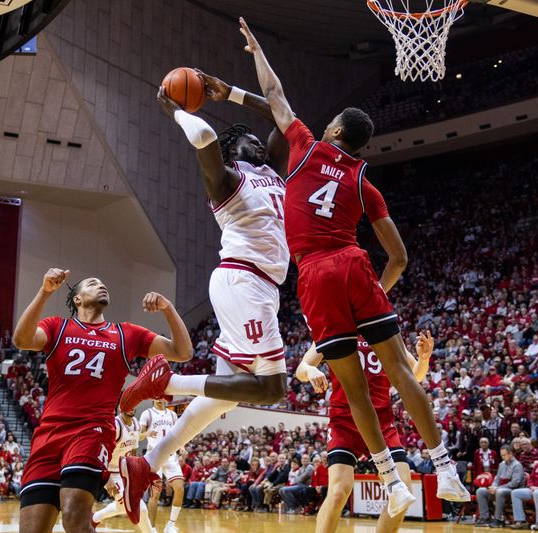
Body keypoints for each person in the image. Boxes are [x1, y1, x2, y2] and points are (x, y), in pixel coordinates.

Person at [237, 16, 468, 515]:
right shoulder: (365, 181)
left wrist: (257, 49)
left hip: (316, 273)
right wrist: (376, 293)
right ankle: (445, 467)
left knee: (355, 389)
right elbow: (400, 256)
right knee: (403, 372)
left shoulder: (303, 146)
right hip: (355, 263)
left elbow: (274, 93)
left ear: (336, 129)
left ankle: (391, 476)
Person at [116, 65, 293, 525]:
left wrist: (231, 91)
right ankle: (167, 383)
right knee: (273, 387)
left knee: (225, 397)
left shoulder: (271, 173)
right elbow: (204, 141)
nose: (258, 140)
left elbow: (282, 117)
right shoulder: (228, 179)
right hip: (244, 281)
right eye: (247, 140)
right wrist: (176, 109)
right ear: (236, 151)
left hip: (259, 288)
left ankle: (146, 464)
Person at [12, 269, 192, 533]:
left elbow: (182, 351)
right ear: (77, 299)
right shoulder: (57, 326)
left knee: (74, 517)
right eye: (93, 284)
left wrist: (167, 308)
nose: (102, 285)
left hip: (91, 430)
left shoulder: (126, 333)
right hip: (48, 434)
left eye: (103, 284)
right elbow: (22, 339)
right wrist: (45, 292)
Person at [296, 332, 431, 532]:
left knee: (403, 491)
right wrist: (310, 371)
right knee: (338, 492)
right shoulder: (333, 328)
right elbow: (301, 368)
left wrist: (424, 359)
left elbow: (415, 376)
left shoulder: (385, 329)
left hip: (381, 422)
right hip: (345, 421)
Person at [92, 409, 154, 533]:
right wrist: (106, 477)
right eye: (128, 404)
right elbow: (99, 450)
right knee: (139, 507)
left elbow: (134, 451)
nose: (131, 407)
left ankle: (93, 518)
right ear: (121, 407)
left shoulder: (136, 424)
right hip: (110, 472)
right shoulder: (114, 425)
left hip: (124, 471)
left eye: (134, 405)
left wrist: (135, 473)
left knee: (122, 506)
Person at [140, 399, 185, 533]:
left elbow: (178, 434)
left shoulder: (172, 415)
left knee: (180, 489)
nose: (160, 400)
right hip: (155, 457)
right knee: (155, 493)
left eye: (162, 397)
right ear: (153, 398)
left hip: (171, 457)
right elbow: (140, 436)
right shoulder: (147, 413)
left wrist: (182, 447)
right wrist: (146, 433)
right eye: (157, 397)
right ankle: (151, 527)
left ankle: (170, 525)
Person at [476, 444, 526, 527]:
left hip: (513, 490)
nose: (502, 457)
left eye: (504, 455)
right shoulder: (501, 464)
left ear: (510, 454)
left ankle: (498, 519)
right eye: (501, 455)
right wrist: (493, 487)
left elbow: (514, 483)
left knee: (499, 492)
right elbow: (497, 479)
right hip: (500, 489)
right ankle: (485, 518)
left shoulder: (517, 465)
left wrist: (497, 488)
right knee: (481, 491)